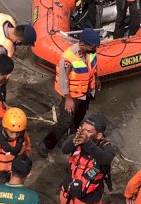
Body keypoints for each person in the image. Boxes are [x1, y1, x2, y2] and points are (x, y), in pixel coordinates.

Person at [57, 115, 116, 204]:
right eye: (83, 129)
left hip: (90, 197)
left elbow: (105, 159)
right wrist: (74, 139)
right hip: (69, 187)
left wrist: (87, 142)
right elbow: (64, 149)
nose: (84, 133)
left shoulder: (108, 148)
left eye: (89, 131)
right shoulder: (76, 138)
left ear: (99, 135)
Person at [38, 28, 101, 157]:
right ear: (83, 44)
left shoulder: (91, 52)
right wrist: (68, 98)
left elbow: (93, 68)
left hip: (86, 92)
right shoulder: (68, 58)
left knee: (79, 117)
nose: (94, 49)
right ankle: (47, 143)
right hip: (72, 95)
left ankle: (72, 140)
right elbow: (63, 79)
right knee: (65, 121)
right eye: (92, 46)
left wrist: (97, 79)